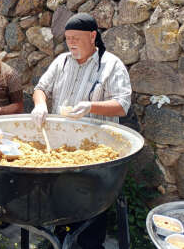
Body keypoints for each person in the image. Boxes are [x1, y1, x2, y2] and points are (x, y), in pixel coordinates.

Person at [31, 13, 132, 249]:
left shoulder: (111, 65)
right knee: (60, 198)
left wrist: (91, 106)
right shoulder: (62, 62)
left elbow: (122, 104)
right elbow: (40, 88)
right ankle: (59, 238)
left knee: (90, 204)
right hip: (59, 148)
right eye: (68, 39)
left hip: (95, 152)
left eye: (76, 38)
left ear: (93, 36)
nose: (71, 43)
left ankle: (89, 244)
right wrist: (40, 104)